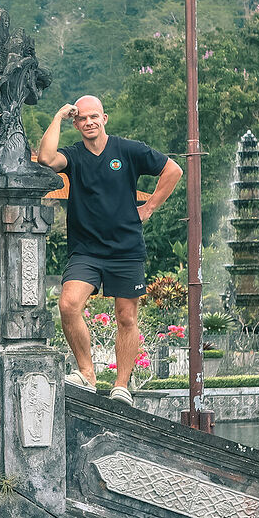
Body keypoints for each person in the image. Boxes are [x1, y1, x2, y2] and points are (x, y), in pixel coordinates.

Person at [37, 96, 182, 405]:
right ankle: (86, 373)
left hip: (125, 249)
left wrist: (150, 207)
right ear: (76, 124)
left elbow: (173, 170)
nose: (89, 122)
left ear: (104, 119)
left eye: (94, 116)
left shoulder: (128, 150)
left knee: (126, 317)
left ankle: (121, 385)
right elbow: (46, 159)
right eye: (82, 118)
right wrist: (58, 117)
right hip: (86, 250)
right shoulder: (73, 155)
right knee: (68, 304)